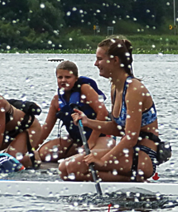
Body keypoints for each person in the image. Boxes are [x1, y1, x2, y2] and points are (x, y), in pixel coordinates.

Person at [59, 36, 168, 182]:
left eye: (99, 59)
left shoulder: (134, 89)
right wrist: (88, 122)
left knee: (73, 168)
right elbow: (118, 128)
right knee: (64, 169)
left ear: (115, 60)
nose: (95, 64)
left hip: (143, 156)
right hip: (129, 153)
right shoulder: (115, 87)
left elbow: (130, 137)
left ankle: (136, 181)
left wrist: (103, 160)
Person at [34, 60, 110, 168]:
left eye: (68, 77)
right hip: (76, 140)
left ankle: (83, 156)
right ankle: (76, 155)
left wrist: (91, 141)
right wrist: (33, 148)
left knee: (87, 159)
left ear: (76, 79)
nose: (63, 80)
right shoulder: (57, 100)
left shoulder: (85, 89)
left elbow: (103, 113)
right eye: (60, 77)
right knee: (43, 153)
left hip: (99, 137)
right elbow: (46, 127)